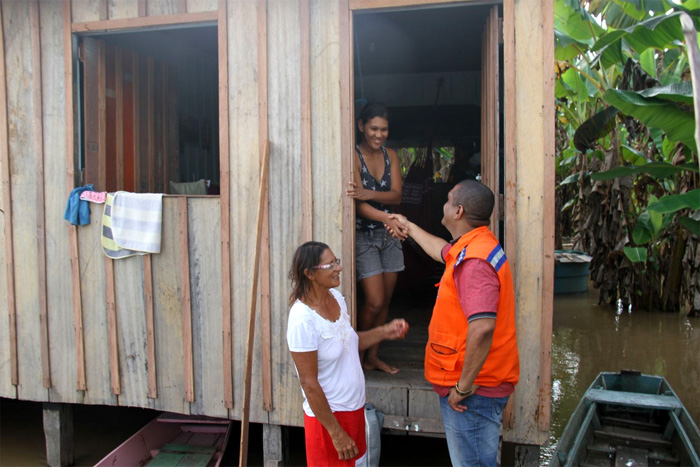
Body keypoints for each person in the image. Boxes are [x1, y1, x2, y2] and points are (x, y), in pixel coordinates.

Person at [387, 180, 519, 466]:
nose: (443, 204)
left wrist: (462, 387)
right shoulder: (475, 245)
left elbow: (482, 328)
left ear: (457, 211)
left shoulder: (474, 262)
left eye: (447, 200)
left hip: (475, 392)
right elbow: (441, 250)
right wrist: (407, 226)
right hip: (479, 385)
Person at [286, 241, 409, 466]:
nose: (338, 268)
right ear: (310, 273)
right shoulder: (301, 320)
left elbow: (349, 342)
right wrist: (336, 433)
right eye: (330, 265)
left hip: (353, 410)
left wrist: (384, 331)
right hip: (329, 420)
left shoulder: (337, 299)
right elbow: (309, 383)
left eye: (337, 262)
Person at [345, 103, 407, 374]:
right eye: (373, 128)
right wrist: (387, 216)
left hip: (389, 234)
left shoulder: (390, 154)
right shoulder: (353, 155)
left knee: (386, 300)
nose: (379, 134)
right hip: (363, 236)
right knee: (374, 301)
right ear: (361, 126)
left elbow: (396, 196)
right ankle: (354, 356)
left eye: (384, 129)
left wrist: (369, 195)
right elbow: (356, 206)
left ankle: (372, 357)